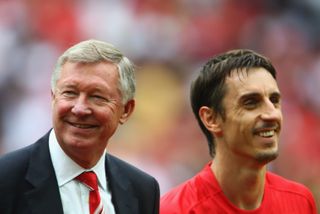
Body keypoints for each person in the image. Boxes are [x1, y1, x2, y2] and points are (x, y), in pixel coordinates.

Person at [0, 39, 160, 214]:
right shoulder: (6, 180)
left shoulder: (143, 190)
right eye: (70, 93)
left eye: (97, 96)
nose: (80, 108)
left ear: (126, 110)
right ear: (53, 98)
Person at [160, 49, 317, 213]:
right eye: (251, 102)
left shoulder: (300, 201)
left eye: (274, 100)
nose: (272, 114)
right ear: (211, 119)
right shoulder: (175, 209)